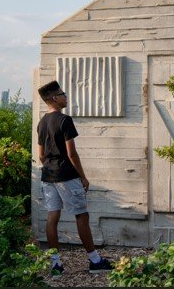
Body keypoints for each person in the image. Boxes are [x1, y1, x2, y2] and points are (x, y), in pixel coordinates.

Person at [37, 80, 114, 276]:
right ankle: (95, 261)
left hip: (48, 176)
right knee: (82, 215)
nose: (66, 96)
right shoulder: (64, 120)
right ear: (54, 98)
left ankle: (55, 264)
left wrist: (50, 165)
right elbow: (72, 154)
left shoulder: (42, 122)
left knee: (52, 217)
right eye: (63, 93)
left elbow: (41, 155)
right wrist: (83, 177)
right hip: (66, 175)